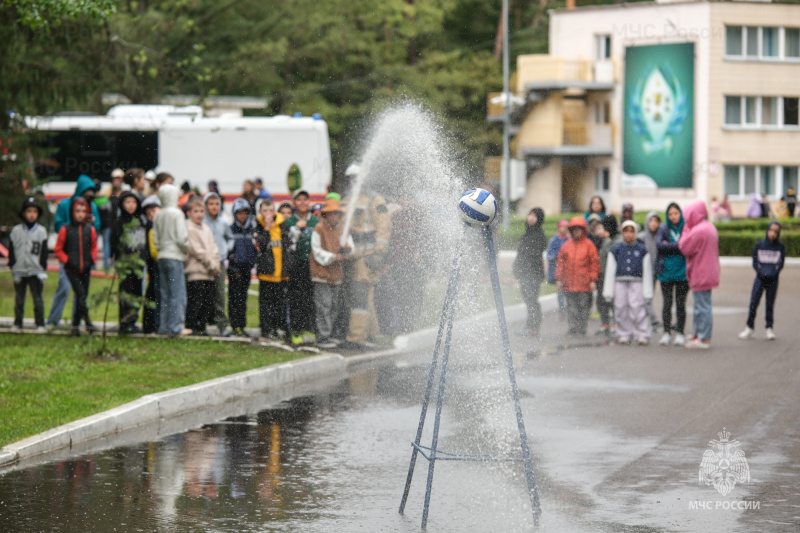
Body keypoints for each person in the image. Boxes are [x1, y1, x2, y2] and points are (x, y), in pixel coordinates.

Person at [339, 164, 391, 349]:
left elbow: (384, 228)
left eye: (357, 177)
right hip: (350, 255)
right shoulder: (346, 200)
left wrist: (379, 253)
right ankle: (373, 333)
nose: (355, 181)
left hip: (367, 256)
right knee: (362, 296)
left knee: (360, 294)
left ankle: (356, 337)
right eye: (351, 178)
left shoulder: (375, 200)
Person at [46, 174, 101, 330]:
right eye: (85, 193)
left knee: (81, 294)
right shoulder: (65, 205)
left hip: (85, 260)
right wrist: (73, 225)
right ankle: (52, 321)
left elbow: (96, 231)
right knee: (64, 289)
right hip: (70, 258)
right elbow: (58, 226)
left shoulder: (93, 206)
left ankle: (75, 325)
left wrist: (88, 225)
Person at [310, 198, 353, 349]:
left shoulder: (343, 229)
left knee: (334, 306)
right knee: (324, 306)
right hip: (321, 274)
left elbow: (350, 249)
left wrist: (347, 250)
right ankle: (322, 337)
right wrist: (333, 257)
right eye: (331, 214)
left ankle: (328, 334)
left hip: (337, 275)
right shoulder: (318, 229)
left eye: (336, 214)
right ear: (325, 215)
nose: (334, 217)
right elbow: (316, 251)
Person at [603, 220, 654, 345]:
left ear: (636, 233)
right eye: (626, 231)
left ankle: (641, 334)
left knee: (637, 308)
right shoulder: (616, 250)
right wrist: (608, 292)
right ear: (622, 233)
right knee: (620, 308)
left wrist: (648, 292)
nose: (629, 235)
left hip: (636, 282)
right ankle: (624, 334)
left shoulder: (642, 250)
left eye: (632, 232)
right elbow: (610, 271)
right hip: (620, 283)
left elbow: (647, 272)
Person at [679, 200, 720, 349]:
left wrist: (685, 230)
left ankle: (703, 338)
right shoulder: (708, 227)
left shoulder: (698, 230)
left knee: (702, 306)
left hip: (701, 273)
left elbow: (684, 247)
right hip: (707, 272)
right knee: (700, 306)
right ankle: (699, 334)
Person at [54, 198, 97, 336]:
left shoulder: (90, 230)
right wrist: (67, 260)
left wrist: (92, 260)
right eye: (78, 211)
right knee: (81, 294)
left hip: (86, 268)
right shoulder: (65, 229)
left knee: (82, 296)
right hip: (71, 270)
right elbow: (58, 250)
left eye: (84, 211)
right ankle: (88, 321)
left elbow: (94, 247)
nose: (81, 214)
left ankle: (74, 326)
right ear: (72, 212)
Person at [153, 183, 191, 337]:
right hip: (174, 257)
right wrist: (186, 249)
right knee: (177, 294)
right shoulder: (177, 214)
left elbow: (155, 239)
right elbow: (182, 238)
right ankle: (175, 327)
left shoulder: (158, 215)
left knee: (165, 294)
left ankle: (164, 327)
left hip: (162, 256)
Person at [254, 198, 293, 341]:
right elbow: (261, 246)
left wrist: (287, 268)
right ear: (260, 212)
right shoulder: (258, 226)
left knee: (279, 304)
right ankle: (266, 329)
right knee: (266, 304)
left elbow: (288, 247)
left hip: (281, 273)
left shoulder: (283, 226)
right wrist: (266, 229)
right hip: (266, 273)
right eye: (265, 210)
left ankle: (277, 328)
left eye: (271, 210)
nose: (268, 213)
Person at [285, 189, 320, 345]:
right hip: (295, 265)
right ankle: (296, 329)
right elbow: (286, 243)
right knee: (296, 298)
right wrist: (297, 228)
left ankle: (308, 328)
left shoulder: (315, 222)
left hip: (312, 265)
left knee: (310, 297)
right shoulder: (289, 222)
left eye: (305, 200)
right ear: (294, 203)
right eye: (299, 200)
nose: (303, 203)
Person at [739, 221, 785, 341]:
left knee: (769, 304)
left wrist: (773, 273)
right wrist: (760, 272)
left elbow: (781, 264)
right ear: (767, 230)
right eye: (771, 230)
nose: (772, 234)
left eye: (776, 231)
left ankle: (769, 328)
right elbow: (754, 261)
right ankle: (749, 327)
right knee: (754, 302)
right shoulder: (759, 245)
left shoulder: (780, 247)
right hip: (760, 278)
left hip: (773, 280)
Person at [555, 217, 600, 337]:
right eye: (574, 229)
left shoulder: (589, 246)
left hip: (584, 284)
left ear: (583, 230)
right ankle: (573, 328)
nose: (576, 232)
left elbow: (594, 264)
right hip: (569, 284)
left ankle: (582, 328)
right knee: (571, 307)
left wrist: (593, 280)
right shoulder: (566, 246)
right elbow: (561, 263)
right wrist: (559, 279)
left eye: (578, 229)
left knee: (584, 308)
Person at [9, 197, 48, 332]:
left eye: (34, 211)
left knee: (37, 299)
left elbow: (44, 251)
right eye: (29, 211)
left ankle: (40, 323)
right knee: (19, 299)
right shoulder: (16, 230)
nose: (32, 214)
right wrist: (13, 266)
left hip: (36, 270)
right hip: (19, 269)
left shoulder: (41, 231)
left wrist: (43, 268)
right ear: (24, 213)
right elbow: (12, 250)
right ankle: (18, 323)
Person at [110, 191, 147, 334]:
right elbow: (114, 244)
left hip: (139, 264)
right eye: (127, 202)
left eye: (133, 202)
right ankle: (124, 323)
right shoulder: (119, 222)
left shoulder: (140, 221)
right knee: (126, 293)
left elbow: (144, 244)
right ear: (122, 204)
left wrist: (143, 258)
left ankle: (132, 320)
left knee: (137, 293)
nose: (131, 206)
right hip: (125, 265)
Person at [184, 197, 221, 336]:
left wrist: (216, 264)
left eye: (201, 211)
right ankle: (192, 326)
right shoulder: (188, 228)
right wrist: (212, 265)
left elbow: (213, 247)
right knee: (195, 301)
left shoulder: (206, 228)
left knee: (206, 301)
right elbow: (197, 250)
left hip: (209, 272)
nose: (199, 214)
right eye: (196, 211)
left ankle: (202, 326)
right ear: (189, 213)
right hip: (195, 272)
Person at [656, 203, 689, 347]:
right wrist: (678, 245)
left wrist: (669, 245)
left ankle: (680, 333)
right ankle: (666, 333)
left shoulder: (685, 227)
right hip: (666, 273)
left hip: (683, 273)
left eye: (676, 213)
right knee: (667, 304)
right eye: (670, 214)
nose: (673, 216)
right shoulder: (663, 228)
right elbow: (659, 245)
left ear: (680, 214)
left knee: (681, 304)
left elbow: (687, 245)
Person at [513, 208, 547, 337]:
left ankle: (534, 327)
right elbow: (521, 253)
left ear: (539, 219)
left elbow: (532, 255)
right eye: (530, 215)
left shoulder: (539, 235)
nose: (531, 218)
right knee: (528, 300)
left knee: (532, 300)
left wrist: (525, 269)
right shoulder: (527, 233)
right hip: (524, 274)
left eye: (535, 216)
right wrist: (517, 269)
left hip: (533, 274)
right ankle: (529, 326)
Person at [203, 192, 233, 336]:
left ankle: (222, 325)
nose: (214, 207)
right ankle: (201, 324)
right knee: (203, 294)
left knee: (219, 294)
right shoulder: (202, 222)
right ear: (205, 205)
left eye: (216, 204)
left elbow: (230, 237)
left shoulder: (223, 222)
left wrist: (227, 247)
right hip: (203, 262)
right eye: (210, 204)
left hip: (219, 262)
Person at [228, 198, 257, 337]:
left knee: (243, 298)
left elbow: (255, 248)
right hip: (234, 269)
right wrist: (232, 257)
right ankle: (234, 325)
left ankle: (242, 325)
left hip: (247, 269)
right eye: (239, 213)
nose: (242, 216)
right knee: (234, 297)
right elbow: (226, 247)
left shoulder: (252, 230)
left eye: (244, 213)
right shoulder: (231, 229)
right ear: (234, 214)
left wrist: (253, 260)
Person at [596, 215, 620, 337]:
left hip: (613, 277)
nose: (603, 230)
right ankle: (605, 323)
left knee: (614, 301)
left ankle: (616, 323)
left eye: (605, 227)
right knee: (602, 301)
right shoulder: (606, 240)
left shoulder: (617, 241)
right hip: (602, 275)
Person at [141, 196, 161, 334]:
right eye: (148, 214)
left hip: (158, 264)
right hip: (155, 265)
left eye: (154, 211)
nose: (151, 215)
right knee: (153, 292)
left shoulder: (160, 225)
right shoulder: (150, 227)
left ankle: (155, 323)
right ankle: (150, 324)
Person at [97, 168, 125, 269]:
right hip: (109, 223)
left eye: (119, 179)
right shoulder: (106, 192)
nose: (117, 181)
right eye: (115, 179)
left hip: (120, 224)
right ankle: (107, 264)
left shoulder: (124, 192)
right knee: (109, 244)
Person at [639, 211, 662, 332]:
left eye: (656, 221)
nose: (653, 223)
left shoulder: (661, 237)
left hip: (660, 271)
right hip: (647, 273)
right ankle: (653, 321)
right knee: (647, 297)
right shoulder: (641, 238)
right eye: (651, 220)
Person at [546, 219, 570, 315]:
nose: (564, 229)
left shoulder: (570, 239)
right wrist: (559, 255)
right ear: (558, 228)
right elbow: (549, 255)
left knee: (568, 290)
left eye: (566, 227)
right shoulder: (554, 240)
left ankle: (568, 308)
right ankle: (562, 309)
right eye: (562, 227)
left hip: (568, 270)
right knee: (560, 289)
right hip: (558, 269)